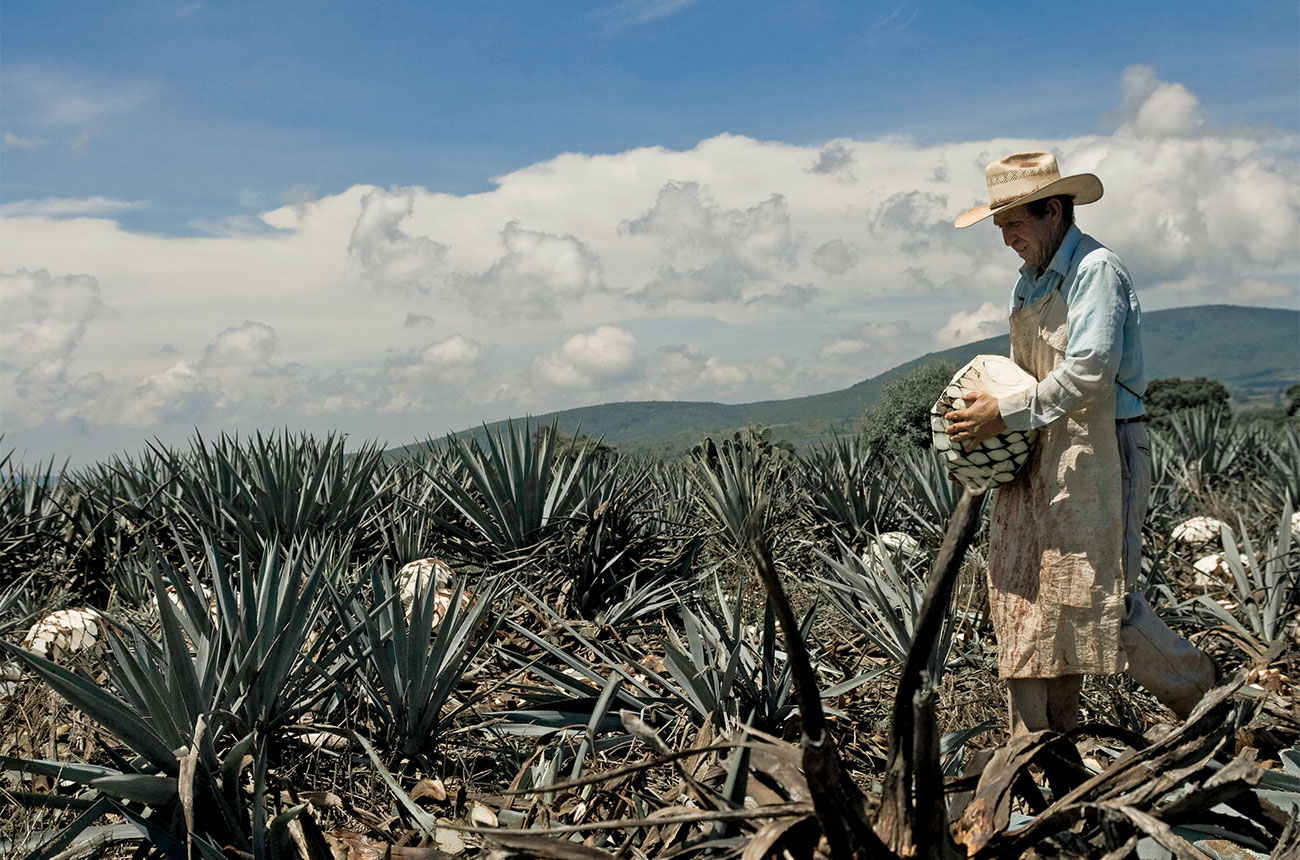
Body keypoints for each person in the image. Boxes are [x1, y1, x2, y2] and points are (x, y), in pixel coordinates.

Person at [943, 151, 1218, 736]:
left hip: (1102, 451)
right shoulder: (1029, 283)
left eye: (1014, 223)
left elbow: (1091, 368)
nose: (1006, 238)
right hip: (1043, 448)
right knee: (1028, 598)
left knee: (1100, 602)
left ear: (1052, 210)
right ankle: (1042, 747)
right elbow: (1025, 373)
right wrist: (984, 437)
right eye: (999, 225)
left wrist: (1006, 413)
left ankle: (1212, 703)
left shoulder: (1097, 270)